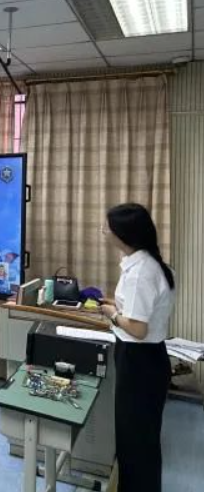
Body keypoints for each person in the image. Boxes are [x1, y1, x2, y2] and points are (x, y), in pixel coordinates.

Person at [99, 203, 176, 492]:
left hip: (138, 361)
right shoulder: (150, 264)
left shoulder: (140, 272)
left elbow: (138, 329)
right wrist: (117, 306)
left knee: (134, 441)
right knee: (142, 439)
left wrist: (112, 314)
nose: (104, 232)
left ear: (124, 235)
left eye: (108, 228)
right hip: (149, 360)